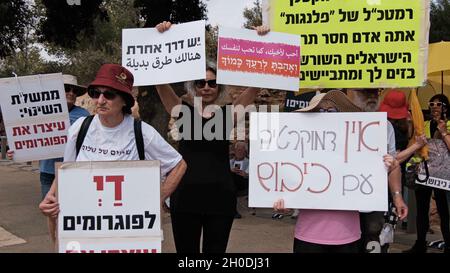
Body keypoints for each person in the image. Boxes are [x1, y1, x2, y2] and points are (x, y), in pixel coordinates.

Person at [38, 64, 187, 241]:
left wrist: (158, 197)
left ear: (124, 100)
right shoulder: (80, 128)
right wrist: (51, 196)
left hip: (128, 230)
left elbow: (179, 165)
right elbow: (66, 170)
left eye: (109, 95)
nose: (100, 100)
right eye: (96, 93)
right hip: (86, 227)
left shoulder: (142, 132)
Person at [154, 21, 265, 253]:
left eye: (212, 82)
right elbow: (160, 82)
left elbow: (254, 87)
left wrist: (260, 41)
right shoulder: (181, 111)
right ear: (193, 86)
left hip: (220, 200)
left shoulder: (227, 115)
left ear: (219, 86)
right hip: (185, 198)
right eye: (201, 82)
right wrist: (160, 39)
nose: (207, 87)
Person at [273, 90, 401, 253]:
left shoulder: (358, 145)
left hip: (348, 234)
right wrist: (285, 204)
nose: (326, 115)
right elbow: (291, 186)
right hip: (308, 234)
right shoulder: (300, 149)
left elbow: (370, 179)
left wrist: (384, 164)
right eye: (320, 110)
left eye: (332, 110)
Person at [6, 75, 90, 199]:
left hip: (72, 169)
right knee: (50, 209)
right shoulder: (38, 112)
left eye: (75, 91)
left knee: (72, 209)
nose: (71, 93)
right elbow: (29, 137)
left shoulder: (84, 115)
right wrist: (17, 152)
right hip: (48, 172)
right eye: (67, 89)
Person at [346, 88, 408, 253]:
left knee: (373, 246)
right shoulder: (338, 123)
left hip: (374, 205)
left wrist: (397, 196)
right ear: (350, 93)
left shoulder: (386, 126)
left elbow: (393, 164)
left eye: (376, 92)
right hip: (344, 206)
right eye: (365, 92)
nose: (372, 96)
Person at [403, 94, 450, 253]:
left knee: (444, 210)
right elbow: (413, 144)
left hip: (443, 174)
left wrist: (444, 132)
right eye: (432, 103)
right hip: (425, 171)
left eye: (439, 104)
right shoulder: (424, 123)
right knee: (422, 209)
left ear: (446, 107)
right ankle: (420, 243)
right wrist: (411, 126)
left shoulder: (449, 124)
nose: (435, 107)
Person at [229, 141, 249, 219]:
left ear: (245, 152)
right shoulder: (230, 162)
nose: (239, 151)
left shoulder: (249, 162)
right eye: (238, 149)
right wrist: (231, 170)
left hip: (243, 183)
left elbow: (251, 174)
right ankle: (232, 210)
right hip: (232, 184)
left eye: (242, 150)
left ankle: (232, 210)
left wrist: (245, 174)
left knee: (232, 179)